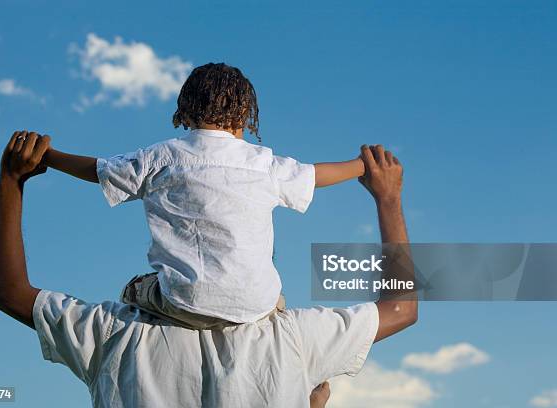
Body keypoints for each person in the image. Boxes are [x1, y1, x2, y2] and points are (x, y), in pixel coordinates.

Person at [0, 131, 416, 407]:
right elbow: (402, 308)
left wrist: (13, 180)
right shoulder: (294, 343)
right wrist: (389, 199)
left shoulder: (116, 334)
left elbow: (10, 293)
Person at [39, 62, 367, 329]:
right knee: (275, 302)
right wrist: (361, 164)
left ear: (187, 111)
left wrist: (48, 156)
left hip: (184, 300)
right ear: (244, 116)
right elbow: (316, 174)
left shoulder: (160, 157)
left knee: (135, 289)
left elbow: (100, 170)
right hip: (253, 304)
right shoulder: (264, 163)